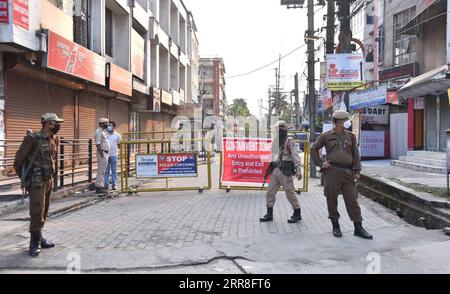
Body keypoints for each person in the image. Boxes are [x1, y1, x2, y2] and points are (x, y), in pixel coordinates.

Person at [311, 110, 373, 240]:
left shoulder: (351, 136)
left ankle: (358, 227)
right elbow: (313, 149)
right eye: (346, 121)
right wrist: (321, 164)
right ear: (339, 122)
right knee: (332, 200)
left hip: (348, 173)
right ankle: (335, 225)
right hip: (332, 172)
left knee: (352, 200)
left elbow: (355, 154)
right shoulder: (326, 136)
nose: (348, 123)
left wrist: (357, 171)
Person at [14, 113, 64, 257]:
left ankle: (40, 237)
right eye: (56, 123)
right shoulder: (33, 139)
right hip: (36, 182)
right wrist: (26, 180)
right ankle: (33, 242)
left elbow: (52, 158)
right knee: (36, 212)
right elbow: (18, 161)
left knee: (44, 211)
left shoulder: (54, 139)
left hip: (48, 180)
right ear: (48, 124)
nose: (58, 126)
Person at [260, 121, 303, 224]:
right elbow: (273, 157)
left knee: (289, 193)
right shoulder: (276, 141)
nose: (277, 131)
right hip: (276, 170)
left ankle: (297, 213)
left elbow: (295, 155)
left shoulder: (289, 141)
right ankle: (269, 214)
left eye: (279, 129)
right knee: (270, 192)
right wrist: (269, 170)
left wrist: (298, 169)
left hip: (286, 171)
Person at [104, 121, 121, 191]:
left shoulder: (117, 135)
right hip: (106, 155)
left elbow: (119, 145)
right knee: (106, 171)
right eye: (108, 126)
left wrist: (116, 151)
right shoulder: (105, 134)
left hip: (114, 155)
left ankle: (114, 184)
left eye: (111, 126)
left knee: (114, 170)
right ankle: (106, 185)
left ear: (114, 127)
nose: (109, 127)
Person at [95, 118, 110, 194]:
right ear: (101, 124)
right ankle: (98, 186)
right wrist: (102, 154)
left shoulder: (103, 132)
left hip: (105, 153)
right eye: (105, 123)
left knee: (103, 171)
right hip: (102, 153)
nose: (107, 125)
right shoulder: (98, 132)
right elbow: (98, 144)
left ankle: (101, 185)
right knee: (101, 171)